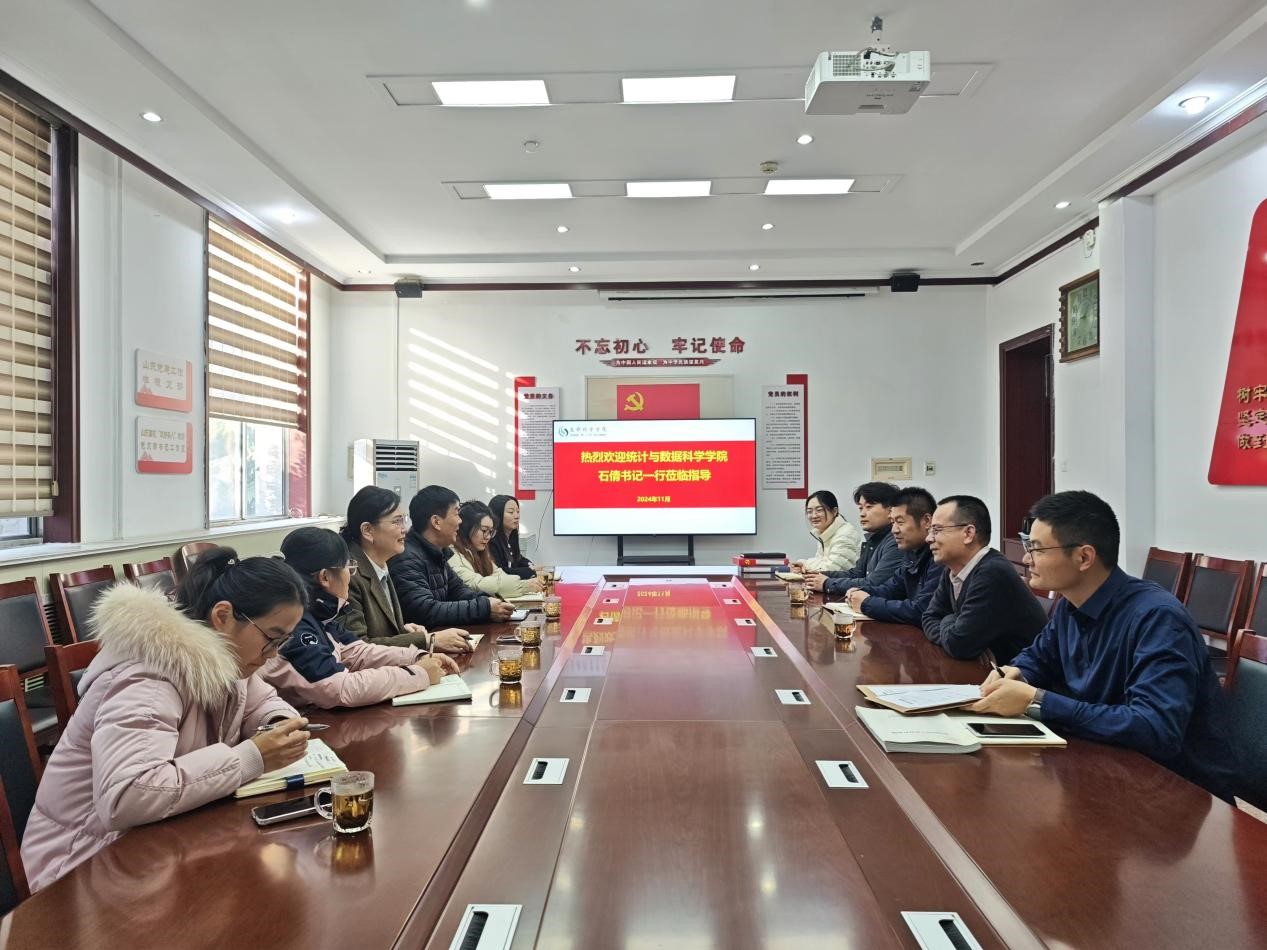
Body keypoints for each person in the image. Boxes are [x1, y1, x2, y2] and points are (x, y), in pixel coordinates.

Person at [21, 548, 313, 892]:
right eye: (271, 639)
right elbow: (128, 795)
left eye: (282, 641)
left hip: (152, 847)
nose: (274, 654)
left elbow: (261, 700)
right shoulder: (149, 677)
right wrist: (252, 757)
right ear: (223, 616)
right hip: (80, 870)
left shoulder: (226, 656)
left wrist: (277, 722)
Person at [971, 490, 1240, 801]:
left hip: (1179, 793)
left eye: (1038, 549)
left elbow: (1154, 728)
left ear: (1084, 557)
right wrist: (1017, 671)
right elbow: (1040, 656)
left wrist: (1038, 701)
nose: (1027, 558)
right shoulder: (1071, 603)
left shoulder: (1158, 618)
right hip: (1109, 766)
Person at [262, 527, 453, 709]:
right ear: (325, 577)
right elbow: (341, 688)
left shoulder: (320, 612)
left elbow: (357, 652)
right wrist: (419, 673)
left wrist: (415, 656)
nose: (351, 575)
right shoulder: (294, 624)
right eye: (348, 566)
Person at [340, 486, 472, 655]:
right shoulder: (348, 574)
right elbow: (355, 649)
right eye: (396, 522)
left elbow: (381, 632)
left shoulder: (381, 564)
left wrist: (404, 631)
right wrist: (427, 640)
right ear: (367, 530)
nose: (404, 529)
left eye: (404, 520)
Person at [920, 494, 1046, 663]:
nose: (928, 538)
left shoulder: (992, 572)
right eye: (930, 531)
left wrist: (949, 618)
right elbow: (928, 618)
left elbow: (959, 644)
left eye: (936, 530)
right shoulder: (953, 569)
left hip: (1020, 672)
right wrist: (954, 625)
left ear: (968, 533)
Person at [390, 484, 517, 627]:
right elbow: (425, 611)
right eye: (456, 514)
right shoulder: (406, 558)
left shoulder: (438, 552)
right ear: (436, 522)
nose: (460, 521)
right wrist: (485, 608)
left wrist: (491, 602)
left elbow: (459, 591)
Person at [845, 487, 943, 625]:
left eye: (900, 522)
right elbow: (891, 589)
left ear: (927, 521)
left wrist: (866, 603)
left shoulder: (940, 556)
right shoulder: (912, 553)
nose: (894, 530)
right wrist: (860, 591)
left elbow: (921, 610)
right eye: (893, 522)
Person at [805, 482, 903, 596]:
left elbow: (874, 583)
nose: (862, 514)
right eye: (860, 508)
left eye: (869, 507)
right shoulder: (874, 539)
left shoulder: (896, 541)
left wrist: (826, 583)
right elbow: (856, 574)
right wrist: (818, 575)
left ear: (891, 510)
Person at [449, 501, 545, 598]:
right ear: (466, 528)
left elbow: (500, 575)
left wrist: (526, 583)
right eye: (484, 530)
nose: (488, 537)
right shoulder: (453, 555)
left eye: (491, 531)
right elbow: (477, 584)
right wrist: (523, 586)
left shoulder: (481, 552)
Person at [790, 490, 862, 574]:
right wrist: (803, 565)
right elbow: (821, 562)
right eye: (809, 511)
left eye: (819, 510)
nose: (814, 515)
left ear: (834, 511)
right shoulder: (825, 532)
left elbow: (831, 569)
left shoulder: (845, 535)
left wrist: (805, 564)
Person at [488, 494, 535, 579]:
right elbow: (503, 572)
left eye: (518, 511)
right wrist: (531, 571)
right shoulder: (492, 541)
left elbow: (519, 559)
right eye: (511, 512)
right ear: (497, 515)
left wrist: (531, 565)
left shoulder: (510, 537)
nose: (517, 516)